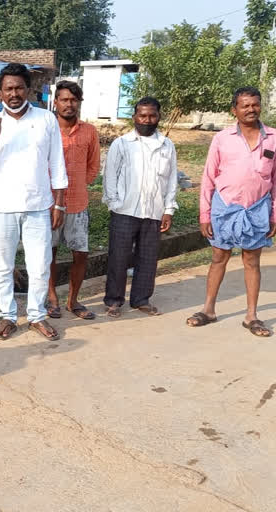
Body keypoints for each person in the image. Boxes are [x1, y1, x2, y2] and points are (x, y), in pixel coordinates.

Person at [0, 63, 68, 341]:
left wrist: (59, 203)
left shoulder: (46, 119)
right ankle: (8, 316)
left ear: (28, 89)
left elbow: (57, 164)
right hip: (2, 207)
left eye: (19, 88)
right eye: (8, 89)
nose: (14, 93)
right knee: (3, 266)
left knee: (39, 265)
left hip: (39, 206)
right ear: (0, 92)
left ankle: (37, 316)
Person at [187, 86, 276, 337]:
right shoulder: (222, 138)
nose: (251, 109)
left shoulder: (273, 137)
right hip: (224, 207)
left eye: (255, 104)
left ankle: (252, 316)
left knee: (251, 260)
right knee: (219, 258)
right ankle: (208, 310)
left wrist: (273, 214)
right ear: (234, 110)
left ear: (260, 106)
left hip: (258, 208)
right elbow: (207, 177)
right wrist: (205, 214)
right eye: (245, 105)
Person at [102, 97, 178, 318]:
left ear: (158, 117)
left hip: (154, 212)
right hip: (124, 211)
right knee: (119, 257)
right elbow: (110, 177)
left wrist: (168, 209)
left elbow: (171, 179)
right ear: (135, 117)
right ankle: (114, 301)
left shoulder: (167, 145)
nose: (147, 120)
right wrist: (115, 203)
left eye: (152, 115)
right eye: (142, 115)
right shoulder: (122, 144)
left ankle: (141, 299)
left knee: (148, 258)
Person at [47, 81, 100, 320]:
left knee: (80, 254)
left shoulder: (89, 131)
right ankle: (52, 300)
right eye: (64, 99)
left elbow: (93, 166)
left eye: (73, 100)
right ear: (55, 102)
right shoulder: (47, 129)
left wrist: (79, 184)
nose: (69, 104)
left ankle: (73, 301)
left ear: (79, 102)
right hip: (48, 204)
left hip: (78, 204)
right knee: (50, 253)